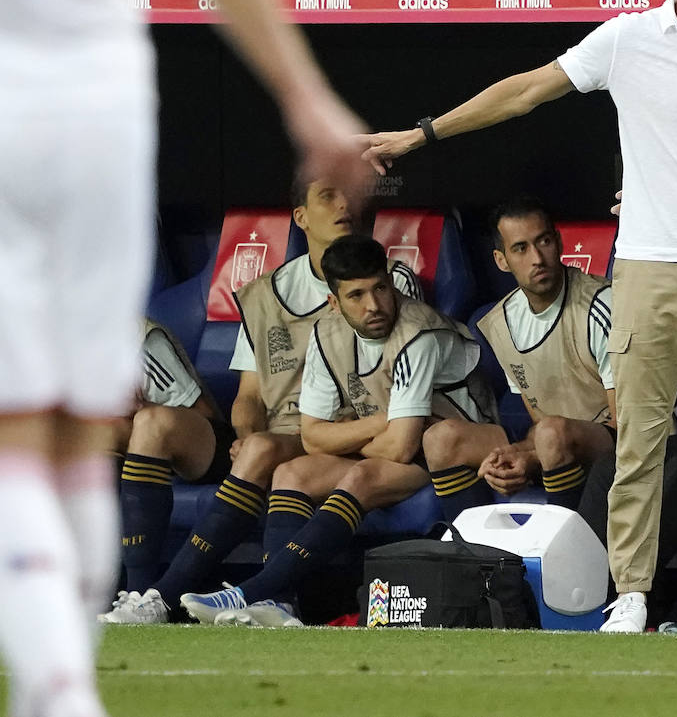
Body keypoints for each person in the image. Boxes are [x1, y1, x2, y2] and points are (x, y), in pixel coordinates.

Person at [0, 0, 368, 714]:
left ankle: (51, 682)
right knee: (81, 415)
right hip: (89, 101)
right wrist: (303, 90)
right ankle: (62, 681)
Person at [363, 0, 677, 635]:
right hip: (649, 264)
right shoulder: (628, 37)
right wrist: (420, 134)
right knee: (638, 435)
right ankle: (629, 591)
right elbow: (525, 90)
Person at [98, 178, 419, 624]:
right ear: (300, 217)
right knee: (262, 446)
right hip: (293, 431)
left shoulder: (387, 280)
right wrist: (247, 433)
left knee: (268, 451)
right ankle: (158, 595)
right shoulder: (265, 293)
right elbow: (249, 395)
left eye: (349, 195)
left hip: (364, 428)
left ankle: (165, 597)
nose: (343, 204)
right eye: (328, 196)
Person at [181, 236, 494, 625]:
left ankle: (249, 592)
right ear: (334, 302)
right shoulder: (326, 332)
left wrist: (353, 434)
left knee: (360, 474)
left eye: (380, 288)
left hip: (450, 443)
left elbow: (401, 447)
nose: (374, 305)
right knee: (291, 472)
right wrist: (380, 424)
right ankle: (280, 603)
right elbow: (312, 437)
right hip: (392, 437)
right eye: (357, 295)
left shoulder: (419, 334)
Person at [448, 198, 616, 518]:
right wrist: (511, 457)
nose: (537, 258)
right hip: (558, 447)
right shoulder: (501, 323)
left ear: (559, 242)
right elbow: (540, 423)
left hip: (620, 449)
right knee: (443, 440)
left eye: (544, 241)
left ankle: (570, 555)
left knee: (551, 434)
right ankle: (472, 557)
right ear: (501, 260)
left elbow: (630, 427)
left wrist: (534, 457)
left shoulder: (601, 305)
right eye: (521, 248)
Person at [113, 320, 231, 600]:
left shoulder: (137, 337)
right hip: (137, 452)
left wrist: (142, 407)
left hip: (204, 446)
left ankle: (139, 593)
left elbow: (203, 413)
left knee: (152, 421)